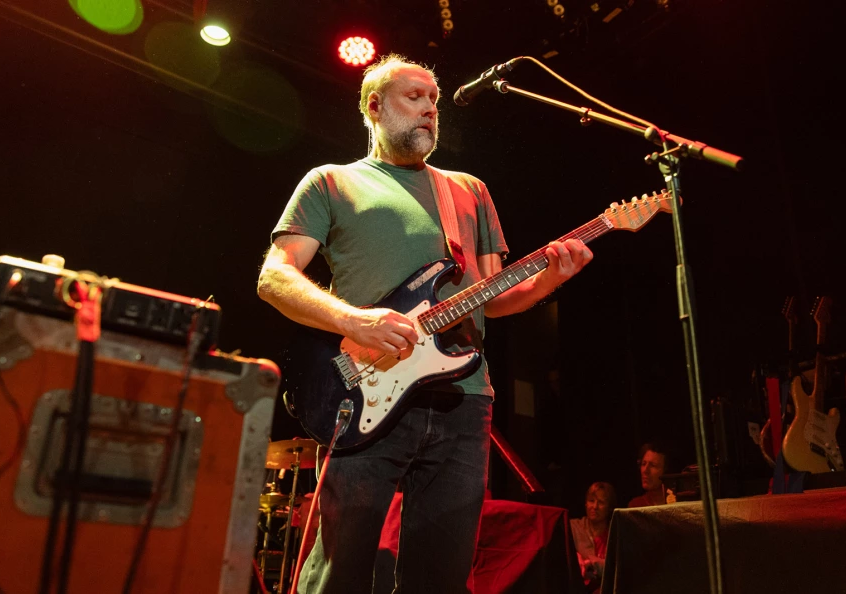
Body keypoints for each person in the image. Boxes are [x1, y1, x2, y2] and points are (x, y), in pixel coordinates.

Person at [256, 54, 593, 594]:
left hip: (464, 400)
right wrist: (353, 320)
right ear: (374, 107)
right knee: (341, 571)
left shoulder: (469, 190)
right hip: (363, 390)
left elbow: (493, 297)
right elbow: (275, 277)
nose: (431, 109)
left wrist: (550, 279)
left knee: (441, 578)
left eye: (434, 100)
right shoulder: (332, 182)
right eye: (414, 97)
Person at [570, 482, 617, 593]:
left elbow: (619, 568)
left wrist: (593, 563)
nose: (595, 507)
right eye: (591, 501)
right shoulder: (573, 527)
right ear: (586, 504)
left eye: (601, 502)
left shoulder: (616, 534)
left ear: (609, 508)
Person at [628, 442, 670, 508]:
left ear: (665, 471)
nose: (645, 470)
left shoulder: (677, 502)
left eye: (653, 465)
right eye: (643, 464)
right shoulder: (636, 505)